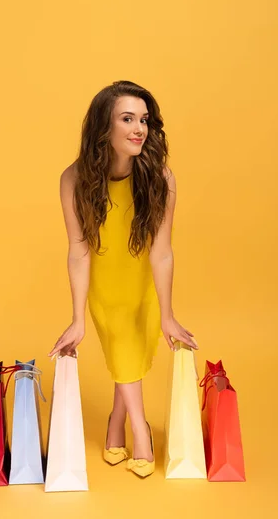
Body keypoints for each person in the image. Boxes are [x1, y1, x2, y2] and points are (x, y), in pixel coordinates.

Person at [48, 80, 199, 478]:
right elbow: (78, 250)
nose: (139, 129)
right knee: (122, 345)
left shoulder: (161, 178)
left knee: (126, 351)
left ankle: (120, 423)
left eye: (144, 119)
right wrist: (77, 317)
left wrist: (167, 314)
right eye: (127, 118)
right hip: (102, 284)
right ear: (104, 128)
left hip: (144, 284)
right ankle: (139, 428)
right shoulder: (73, 179)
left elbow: (161, 251)